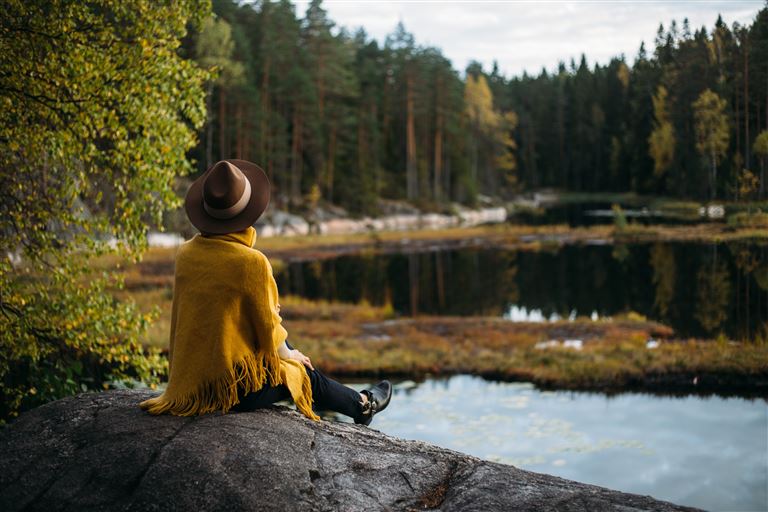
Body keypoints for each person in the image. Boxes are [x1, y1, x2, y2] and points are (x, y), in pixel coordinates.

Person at [139, 159, 391, 425]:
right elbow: (268, 327)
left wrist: (286, 349)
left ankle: (358, 402)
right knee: (301, 372)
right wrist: (289, 356)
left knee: (292, 354)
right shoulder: (251, 262)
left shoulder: (187, 252)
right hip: (231, 390)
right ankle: (363, 405)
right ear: (247, 212)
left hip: (191, 380)